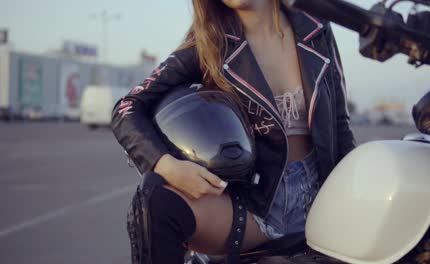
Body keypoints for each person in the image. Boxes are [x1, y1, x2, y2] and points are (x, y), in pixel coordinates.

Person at [111, 0, 356, 263]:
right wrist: (165, 165)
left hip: (321, 198)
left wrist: (353, 194)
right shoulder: (209, 43)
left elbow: (340, 124)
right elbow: (127, 106)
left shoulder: (315, 27)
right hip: (253, 207)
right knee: (157, 203)